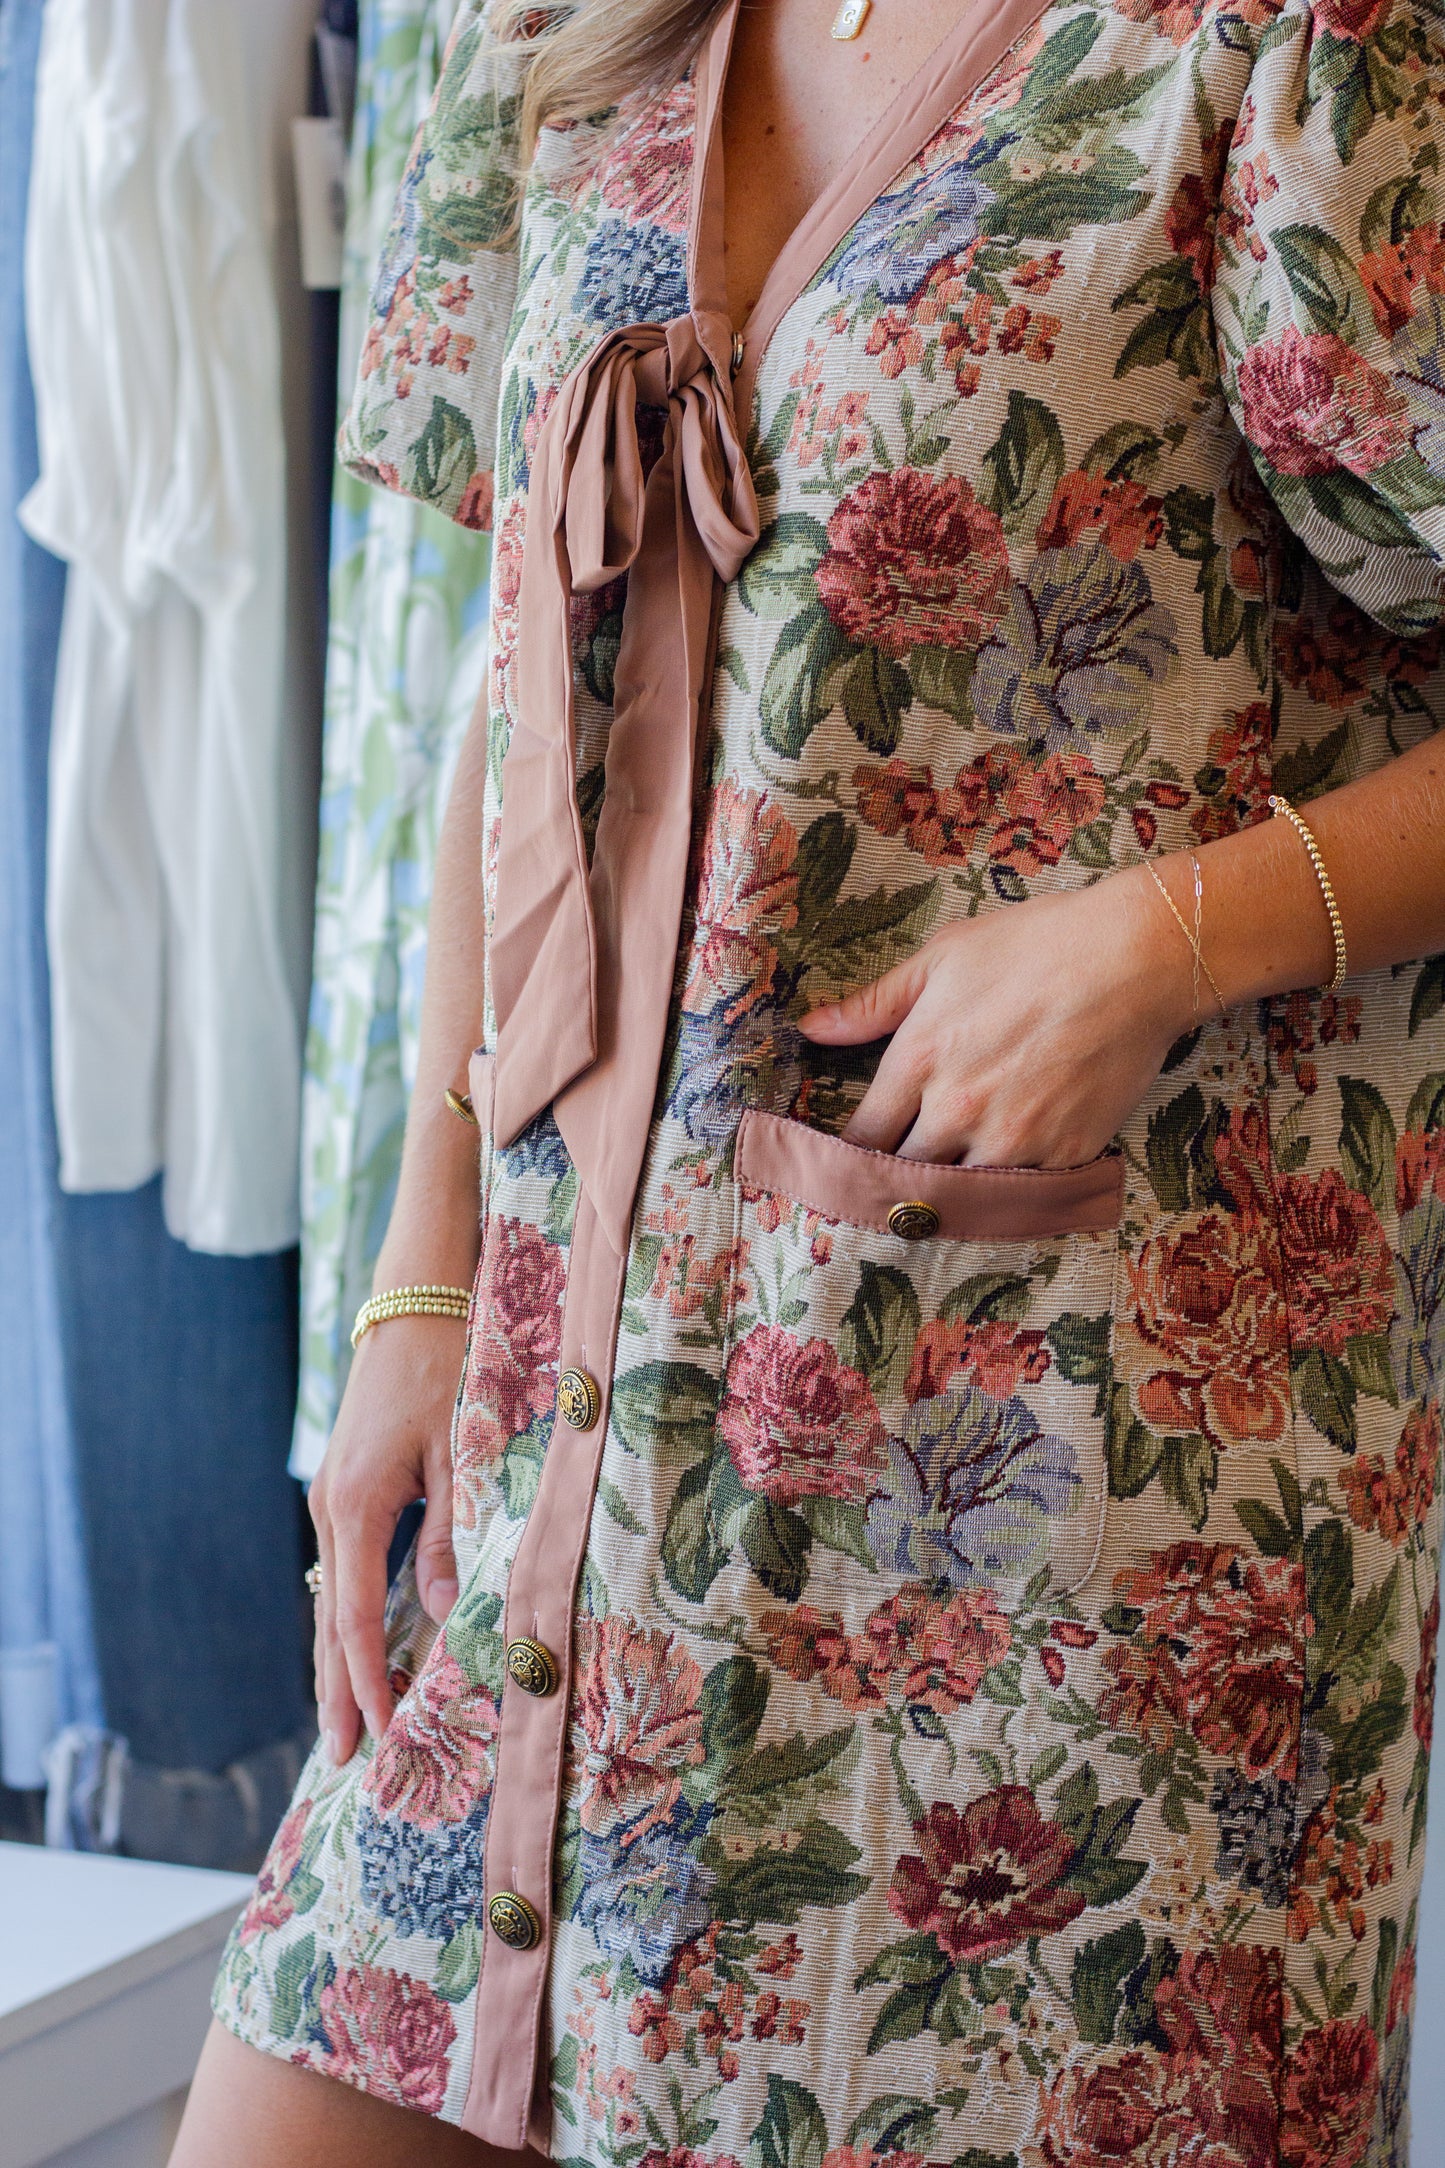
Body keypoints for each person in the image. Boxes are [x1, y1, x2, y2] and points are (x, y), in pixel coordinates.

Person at [174, 0, 1445, 2159]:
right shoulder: (562, 35)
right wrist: (419, 1265)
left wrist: (1160, 937)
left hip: (1041, 1576)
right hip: (560, 1481)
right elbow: (526, 665)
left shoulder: (1278, 47)